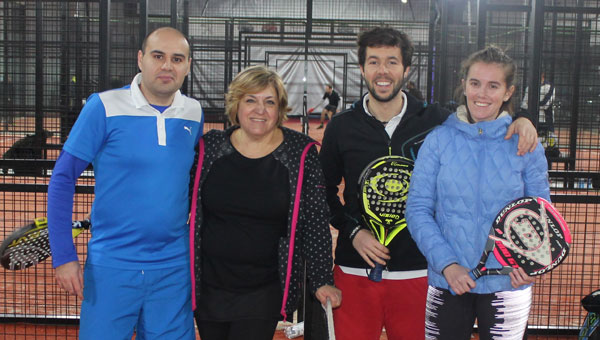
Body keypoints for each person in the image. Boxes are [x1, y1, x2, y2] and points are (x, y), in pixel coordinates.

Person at [318, 27, 539, 340]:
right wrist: (353, 233)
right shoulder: (341, 127)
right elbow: (322, 193)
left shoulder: (437, 120)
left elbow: (482, 114)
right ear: (362, 68)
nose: (383, 71)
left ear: (406, 70)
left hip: (420, 272)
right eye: (374, 62)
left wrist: (524, 117)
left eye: (392, 62)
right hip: (355, 269)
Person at [47, 27, 202, 339]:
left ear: (187, 65)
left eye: (177, 58)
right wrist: (63, 256)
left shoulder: (193, 112)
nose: (167, 66)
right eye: (158, 56)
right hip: (111, 268)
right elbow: (63, 178)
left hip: (174, 269)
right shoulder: (103, 107)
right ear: (141, 59)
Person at [406, 46, 549, 339]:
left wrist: (528, 262)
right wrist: (447, 265)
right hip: (448, 282)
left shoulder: (526, 144)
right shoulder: (438, 140)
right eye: (475, 83)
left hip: (508, 283)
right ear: (464, 85)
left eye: (493, 85)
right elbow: (417, 209)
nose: (482, 94)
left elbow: (540, 213)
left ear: (508, 92)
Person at [189, 65, 341, 340]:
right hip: (209, 287)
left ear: (280, 109)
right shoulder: (209, 148)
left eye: (269, 102)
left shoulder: (300, 153)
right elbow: (181, 206)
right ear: (236, 104)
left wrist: (321, 279)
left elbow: (317, 221)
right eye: (251, 100)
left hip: (264, 288)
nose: (260, 110)